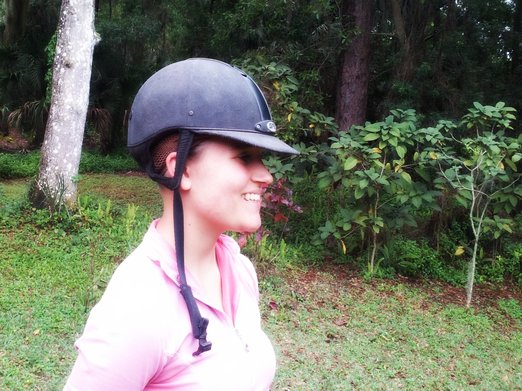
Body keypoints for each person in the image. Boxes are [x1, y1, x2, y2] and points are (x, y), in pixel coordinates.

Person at [63, 58, 298, 390]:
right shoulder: (138, 307)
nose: (266, 176)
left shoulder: (240, 271)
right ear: (181, 169)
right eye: (245, 157)